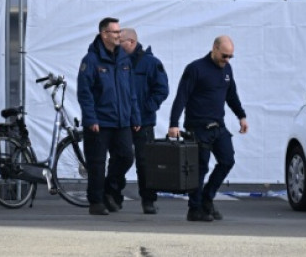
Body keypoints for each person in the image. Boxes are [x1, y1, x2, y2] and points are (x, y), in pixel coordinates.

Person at [168, 35, 248, 222]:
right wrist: (174, 123)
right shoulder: (195, 69)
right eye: (224, 56)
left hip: (218, 126)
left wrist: (241, 116)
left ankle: (207, 198)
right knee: (200, 167)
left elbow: (231, 95)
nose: (227, 60)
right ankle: (194, 208)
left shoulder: (227, 69)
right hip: (198, 127)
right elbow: (181, 97)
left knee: (227, 160)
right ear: (214, 49)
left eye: (230, 57)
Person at [77, 17, 140, 216]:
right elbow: (84, 93)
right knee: (97, 164)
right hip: (100, 122)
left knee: (126, 157)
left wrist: (135, 116)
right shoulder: (91, 60)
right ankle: (96, 202)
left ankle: (109, 191)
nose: (119, 36)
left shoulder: (123, 58)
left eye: (120, 32)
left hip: (121, 120)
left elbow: (131, 91)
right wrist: (91, 119)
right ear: (104, 34)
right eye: (115, 32)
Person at [119, 27, 170, 214]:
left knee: (145, 162)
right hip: (122, 120)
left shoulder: (151, 63)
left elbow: (162, 90)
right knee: (120, 159)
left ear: (131, 42)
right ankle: (114, 195)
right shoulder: (117, 62)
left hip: (144, 121)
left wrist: (146, 109)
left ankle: (148, 200)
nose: (117, 44)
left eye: (120, 41)